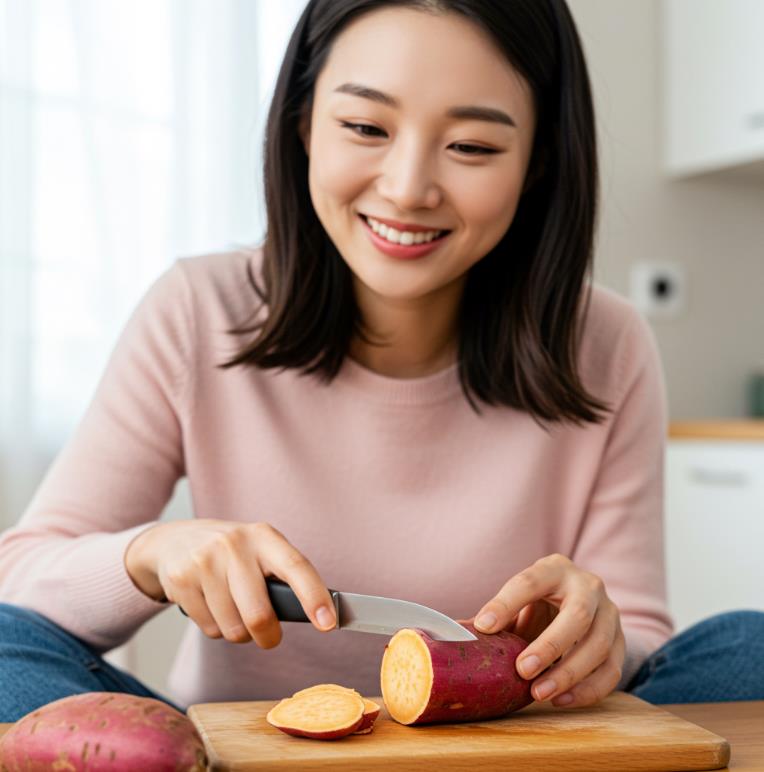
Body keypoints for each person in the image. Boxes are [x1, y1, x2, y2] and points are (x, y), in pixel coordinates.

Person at [1, 0, 763, 724]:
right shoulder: (197, 310)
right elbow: (24, 585)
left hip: (510, 750)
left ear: (537, 163)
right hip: (240, 748)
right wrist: (148, 556)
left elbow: (641, 640)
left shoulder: (607, 342)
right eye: (366, 125)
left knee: (746, 648)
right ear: (303, 124)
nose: (406, 189)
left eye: (472, 146)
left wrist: (599, 640)